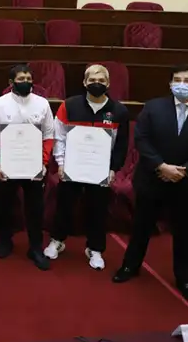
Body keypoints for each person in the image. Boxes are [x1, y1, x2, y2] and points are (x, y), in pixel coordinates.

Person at [113, 65, 188, 305]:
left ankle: (185, 279)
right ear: (170, 84)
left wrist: (186, 170)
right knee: (140, 228)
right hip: (153, 179)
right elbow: (141, 139)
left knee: (186, 234)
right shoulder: (153, 107)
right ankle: (130, 266)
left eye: (187, 80)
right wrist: (161, 166)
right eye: (177, 79)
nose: (181, 84)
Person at [44, 64, 130, 271]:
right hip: (72, 168)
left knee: (98, 210)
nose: (96, 84)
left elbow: (121, 145)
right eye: (92, 80)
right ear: (84, 82)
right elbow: (60, 137)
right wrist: (62, 164)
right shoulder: (69, 105)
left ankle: (95, 248)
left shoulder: (119, 111)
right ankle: (57, 240)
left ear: (108, 84)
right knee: (64, 205)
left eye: (101, 80)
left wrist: (113, 169)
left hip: (100, 170)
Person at [0, 64, 55, 271]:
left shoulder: (42, 104)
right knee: (3, 207)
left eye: (29, 78)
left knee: (35, 209)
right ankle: (5, 241)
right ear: (11, 82)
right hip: (5, 167)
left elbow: (49, 135)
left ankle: (35, 248)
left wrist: (43, 163)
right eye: (21, 78)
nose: (26, 82)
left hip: (34, 168)